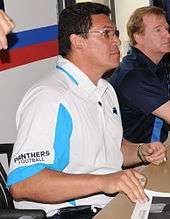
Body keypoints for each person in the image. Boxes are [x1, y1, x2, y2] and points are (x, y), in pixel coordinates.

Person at [7, 3, 166, 219]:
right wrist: (106, 181)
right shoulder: (50, 97)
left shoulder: (105, 88)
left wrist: (140, 151)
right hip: (72, 212)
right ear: (77, 41)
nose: (117, 41)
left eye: (115, 33)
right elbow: (23, 183)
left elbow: (110, 149)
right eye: (106, 33)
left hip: (110, 202)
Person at [110, 6, 170, 144]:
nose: (167, 35)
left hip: (158, 143)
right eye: (158, 30)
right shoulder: (134, 75)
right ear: (138, 37)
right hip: (138, 156)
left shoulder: (154, 65)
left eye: (166, 29)